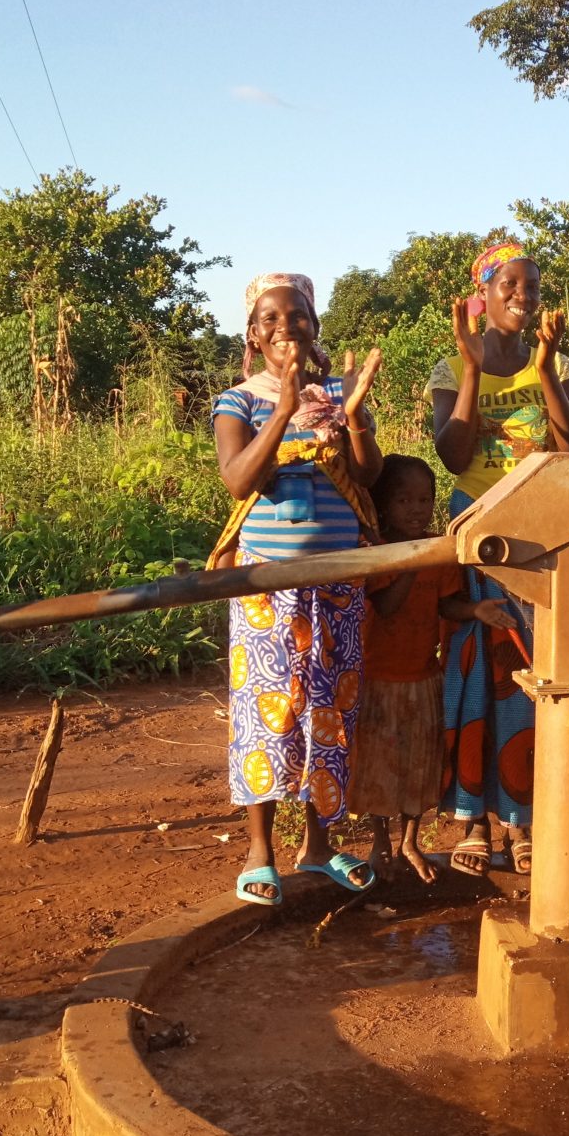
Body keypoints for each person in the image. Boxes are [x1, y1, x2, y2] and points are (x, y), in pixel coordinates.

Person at [212, 273, 384, 907]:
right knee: (267, 713)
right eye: (271, 318)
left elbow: (368, 474)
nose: (286, 326)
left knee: (330, 714)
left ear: (315, 328)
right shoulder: (238, 401)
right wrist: (284, 407)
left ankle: (319, 844)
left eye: (299, 316)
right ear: (254, 336)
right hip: (267, 584)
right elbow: (238, 479)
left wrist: (356, 414)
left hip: (337, 581)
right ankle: (260, 854)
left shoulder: (340, 392)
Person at [427, 241, 569, 876]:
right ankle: (470, 818)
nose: (524, 295)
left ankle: (521, 821)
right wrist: (471, 371)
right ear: (484, 295)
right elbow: (450, 452)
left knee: (527, 675)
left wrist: (546, 371)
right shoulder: (450, 366)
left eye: (533, 287)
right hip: (476, 527)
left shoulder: (558, 363)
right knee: (473, 672)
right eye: (511, 285)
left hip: (537, 532)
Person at [347, 455, 500, 885]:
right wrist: (413, 560)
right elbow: (389, 606)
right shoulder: (379, 554)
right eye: (404, 500)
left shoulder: (437, 551)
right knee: (379, 766)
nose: (416, 509)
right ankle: (380, 843)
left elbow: (444, 604)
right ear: (384, 506)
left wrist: (475, 609)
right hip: (381, 681)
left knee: (419, 764)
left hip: (422, 678)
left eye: (425, 499)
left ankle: (410, 840)